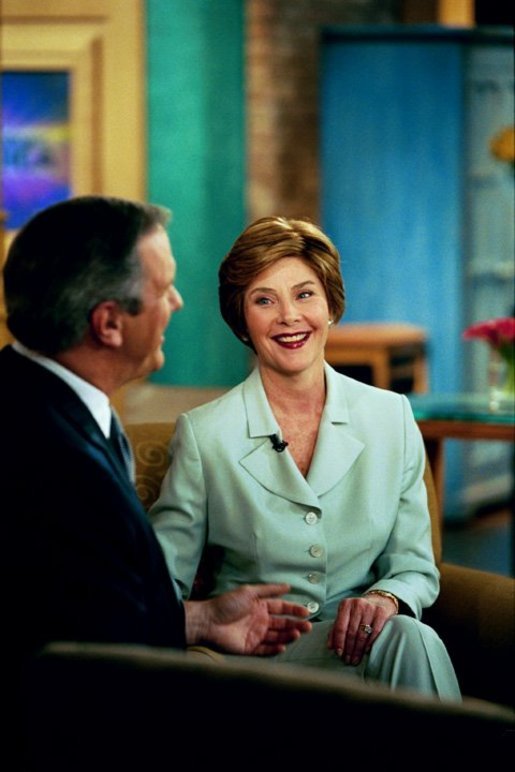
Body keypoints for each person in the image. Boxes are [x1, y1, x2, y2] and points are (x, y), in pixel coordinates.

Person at [0, 198, 312, 759]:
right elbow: (99, 678)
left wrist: (201, 619)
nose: (177, 301)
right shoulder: (60, 468)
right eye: (164, 287)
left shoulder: (28, 395)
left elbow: (76, 614)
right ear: (110, 323)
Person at [150, 215, 462, 701]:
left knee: (410, 636)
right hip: (257, 658)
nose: (288, 317)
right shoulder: (205, 435)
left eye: (304, 294)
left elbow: (416, 566)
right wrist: (205, 624)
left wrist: (386, 596)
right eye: (264, 300)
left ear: (331, 304)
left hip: (361, 650)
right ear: (242, 320)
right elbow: (159, 583)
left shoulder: (391, 417)